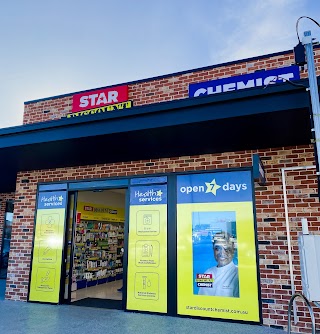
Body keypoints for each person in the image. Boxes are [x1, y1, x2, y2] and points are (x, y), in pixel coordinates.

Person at [198, 231, 239, 297]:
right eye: (217, 248)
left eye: (227, 249)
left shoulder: (237, 275)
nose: (222, 253)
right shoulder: (208, 273)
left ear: (233, 251)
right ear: (213, 250)